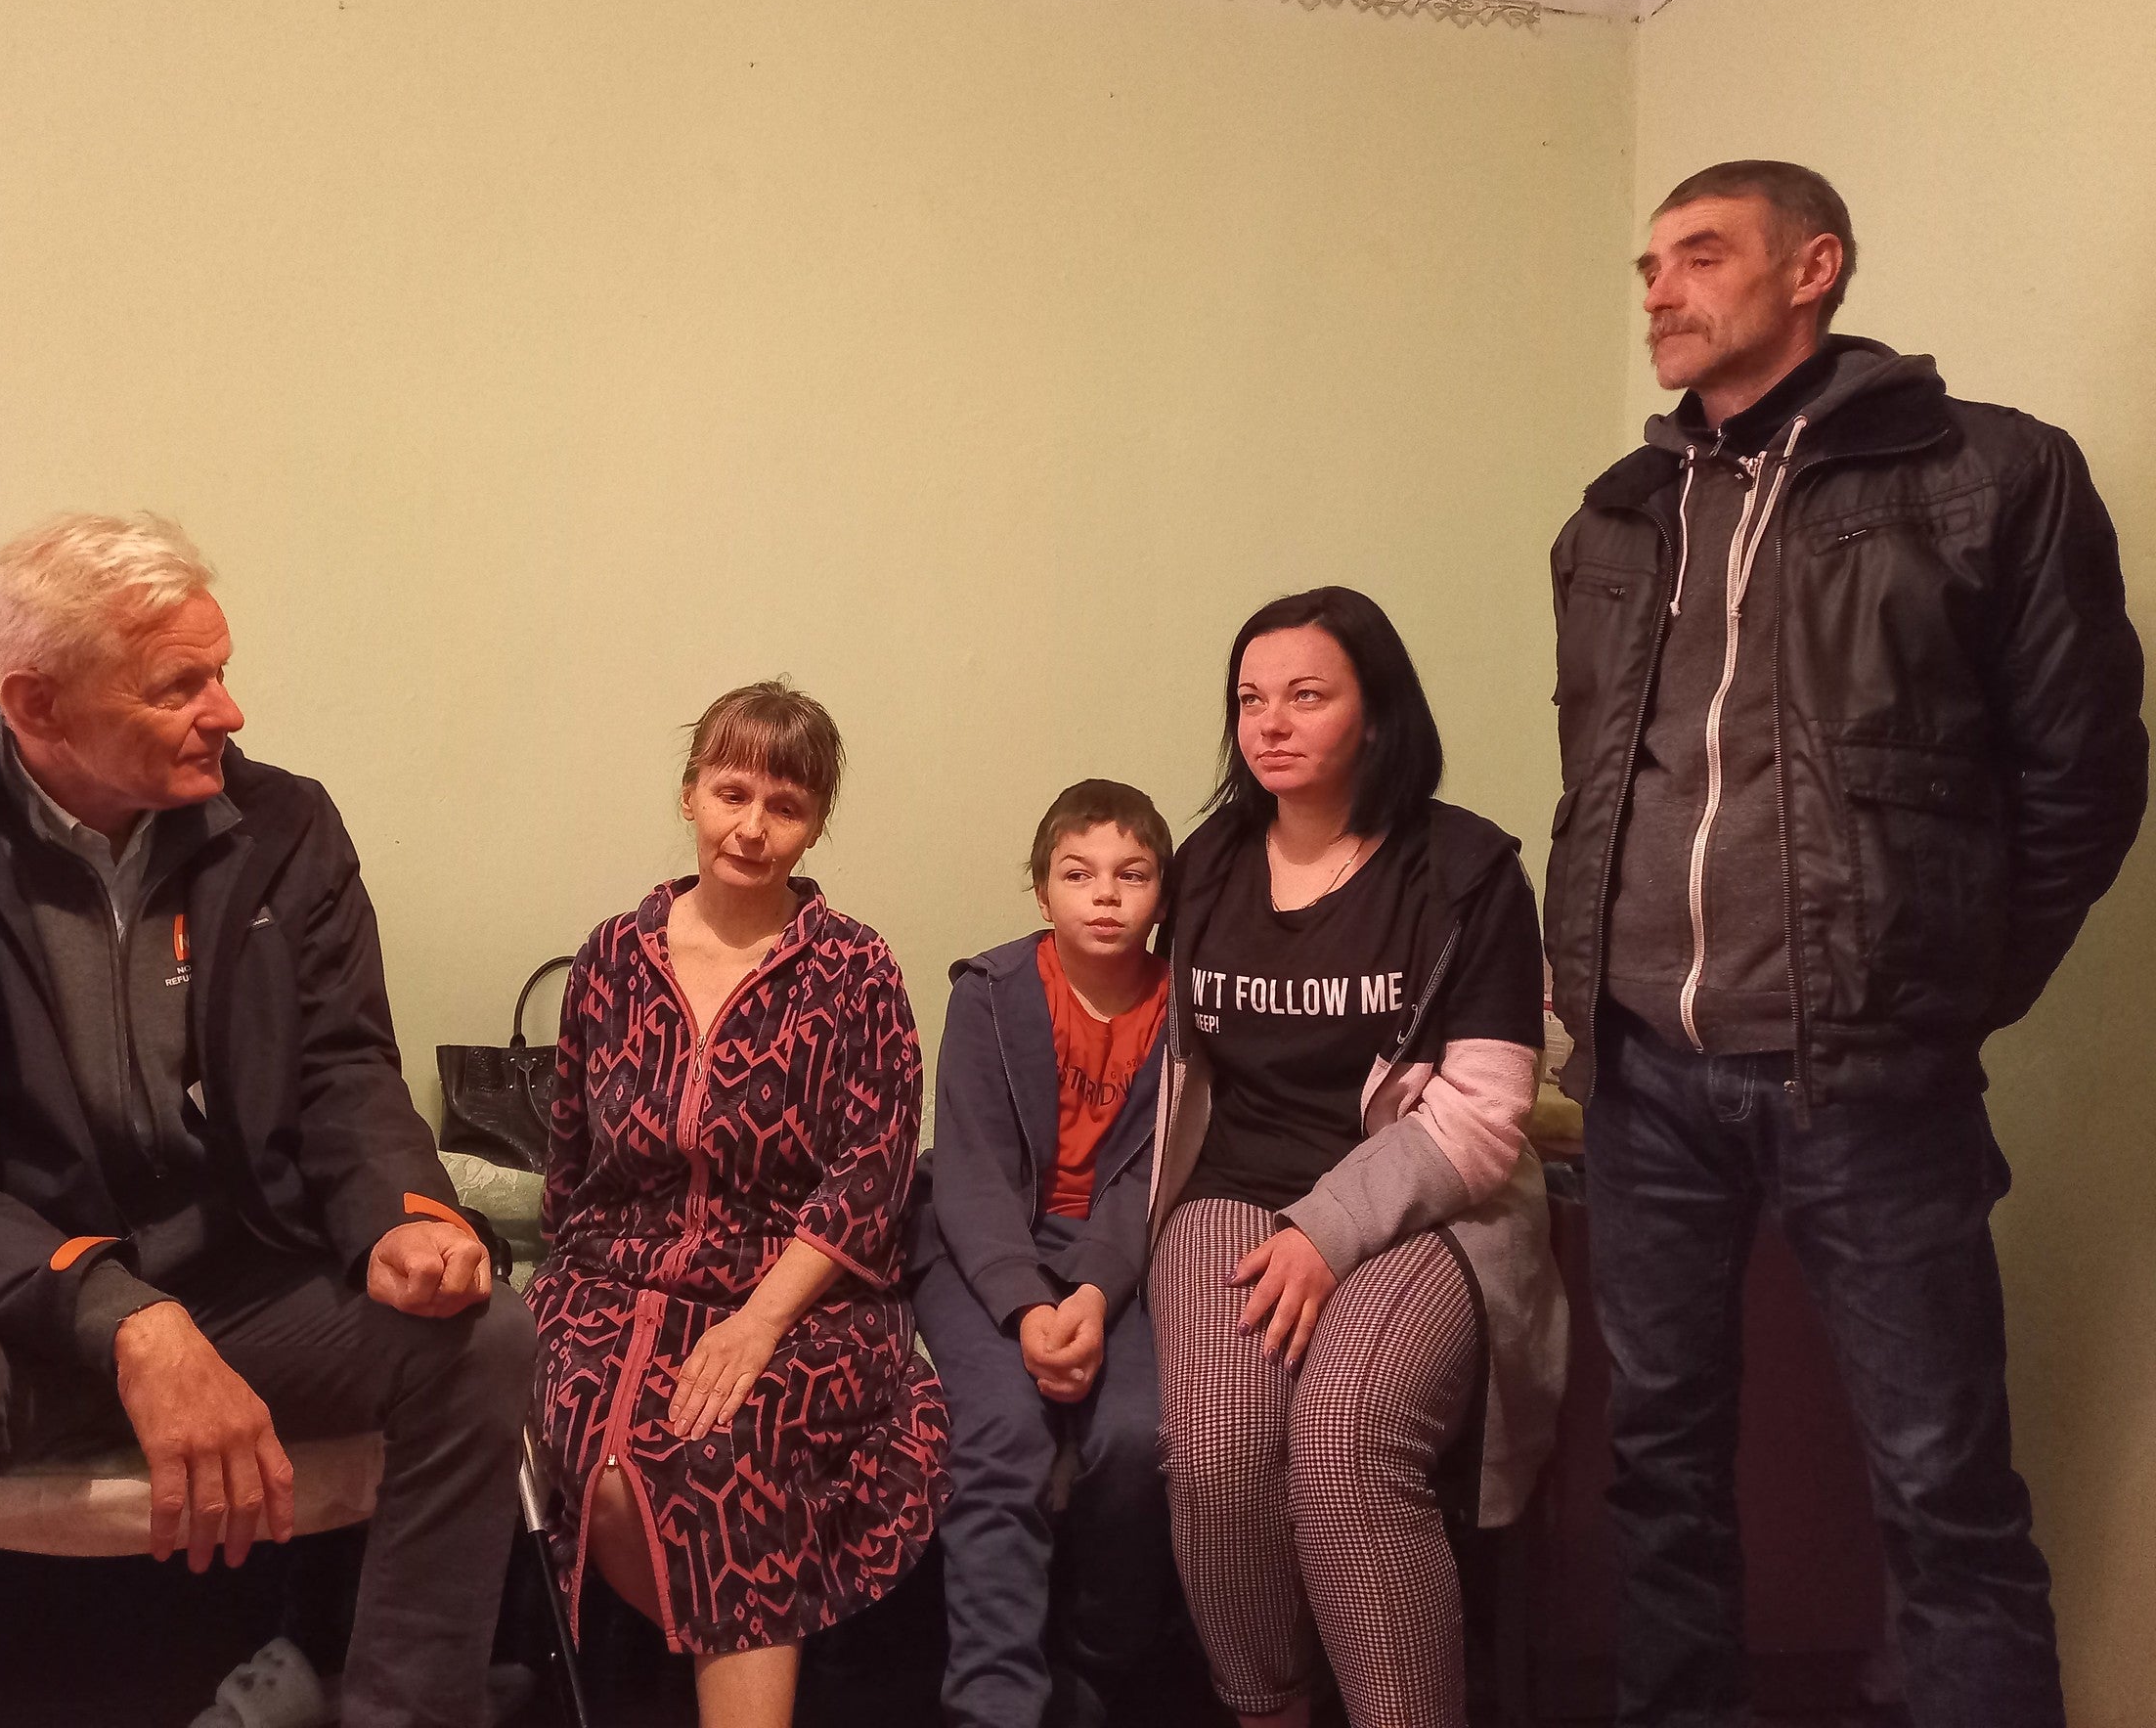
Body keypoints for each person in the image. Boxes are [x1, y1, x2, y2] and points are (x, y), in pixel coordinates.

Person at [1546, 159, 2146, 1728]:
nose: (1660, 288)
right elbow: (1603, 787)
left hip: (1871, 1084)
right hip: (1643, 1080)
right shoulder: (1616, 514)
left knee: (1943, 1481)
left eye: (1699, 255)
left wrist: (1932, 988)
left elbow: (2084, 779)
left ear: (1814, 269)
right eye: (1649, 264)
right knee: (1660, 1471)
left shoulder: (1987, 477)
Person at [0, 512, 534, 1728]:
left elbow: (342, 1068)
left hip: (223, 1267)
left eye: (221, 671)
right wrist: (128, 1320)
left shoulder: (284, 830)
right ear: (40, 703)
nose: (227, 712)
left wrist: (402, 1212)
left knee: (481, 1337)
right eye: (181, 685)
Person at [1146, 587, 1564, 1728]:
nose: (1269, 723)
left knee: (1343, 1446)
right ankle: (1269, 1707)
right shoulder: (1209, 863)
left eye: (1305, 696)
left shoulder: (1467, 871)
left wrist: (1326, 1231)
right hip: (1232, 1191)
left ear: (1375, 716)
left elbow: (1483, 1117)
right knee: (1221, 1458)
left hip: (1426, 1205)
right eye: (1248, 700)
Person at [529, 682, 946, 1728]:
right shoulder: (610, 959)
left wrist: (758, 1322)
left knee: (724, 1453)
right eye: (731, 792)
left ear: (814, 826)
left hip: (798, 1291)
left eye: (786, 805)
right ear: (689, 797)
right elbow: (569, 1159)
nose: (752, 827)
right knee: (614, 1466)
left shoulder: (855, 970)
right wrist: (561, 1297)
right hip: (611, 1282)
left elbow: (873, 1173)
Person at [909, 779, 1179, 1728]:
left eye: (1131, 874)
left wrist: (1096, 1298)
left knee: (1139, 1436)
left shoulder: (1186, 1016)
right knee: (1004, 1435)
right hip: (982, 1251)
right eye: (1078, 874)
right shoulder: (988, 995)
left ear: (1162, 892)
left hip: (1119, 1260)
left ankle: (1093, 1670)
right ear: (1041, 891)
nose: (1104, 895)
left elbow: (1145, 1183)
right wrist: (1027, 1310)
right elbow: (972, 1176)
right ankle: (993, 1701)